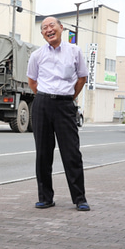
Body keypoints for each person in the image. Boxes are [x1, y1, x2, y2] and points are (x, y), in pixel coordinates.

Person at [27, 16, 90, 211]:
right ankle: (45, 197)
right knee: (43, 154)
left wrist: (69, 97)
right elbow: (32, 81)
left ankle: (80, 198)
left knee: (71, 152)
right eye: (44, 27)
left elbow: (82, 77)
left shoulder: (75, 51)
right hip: (43, 104)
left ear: (61, 28)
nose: (48, 30)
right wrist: (45, 97)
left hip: (65, 105)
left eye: (51, 25)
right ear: (42, 33)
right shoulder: (37, 55)